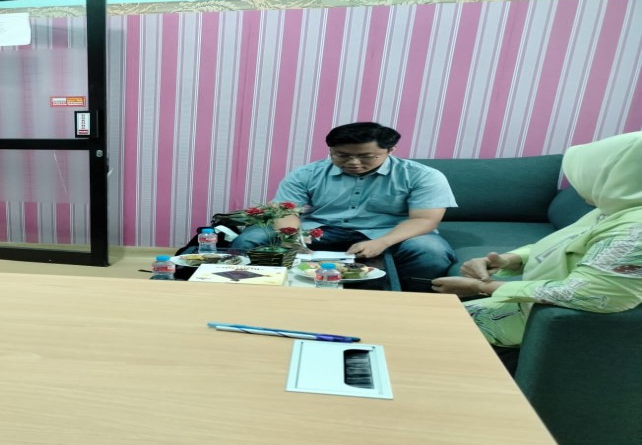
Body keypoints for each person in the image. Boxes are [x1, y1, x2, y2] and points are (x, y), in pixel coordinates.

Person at [433, 132, 642, 348]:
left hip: (541, 331)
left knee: (422, 331)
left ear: (618, 176)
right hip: (524, 306)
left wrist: (481, 287)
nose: (579, 183)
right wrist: (509, 260)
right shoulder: (617, 209)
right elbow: (566, 244)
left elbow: (590, 294)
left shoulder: (635, 233)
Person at [229, 122, 457, 292]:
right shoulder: (307, 173)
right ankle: (250, 293)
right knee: (252, 239)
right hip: (320, 229)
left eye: (366, 156)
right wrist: (292, 239)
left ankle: (414, 300)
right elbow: (285, 210)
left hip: (389, 232)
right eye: (342, 155)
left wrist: (382, 242)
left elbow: (424, 219)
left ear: (391, 150)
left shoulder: (422, 176)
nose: (353, 163)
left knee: (431, 251)